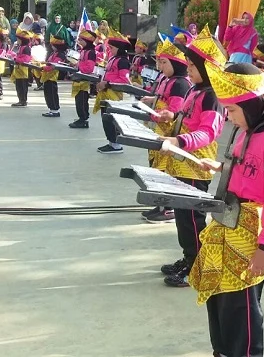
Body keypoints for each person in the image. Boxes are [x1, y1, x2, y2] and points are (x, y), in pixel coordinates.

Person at [190, 63, 264, 357]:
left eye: (232, 110)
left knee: (242, 307)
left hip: (249, 234)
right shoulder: (243, 131)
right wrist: (220, 166)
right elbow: (246, 169)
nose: (227, 116)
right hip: (225, 222)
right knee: (218, 296)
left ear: (253, 104)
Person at [155, 27, 225, 286]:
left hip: (196, 167)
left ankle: (199, 266)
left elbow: (207, 132)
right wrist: (171, 117)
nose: (189, 68)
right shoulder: (194, 90)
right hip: (180, 162)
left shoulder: (213, 97)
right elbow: (187, 119)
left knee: (193, 222)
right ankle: (189, 257)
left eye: (194, 65)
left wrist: (179, 140)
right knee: (182, 219)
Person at [138, 39, 193, 223]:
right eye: (159, 62)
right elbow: (162, 99)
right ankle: (161, 204)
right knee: (156, 169)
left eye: (164, 62)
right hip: (157, 131)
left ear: (177, 63)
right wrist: (152, 101)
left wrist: (165, 114)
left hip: (168, 136)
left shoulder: (180, 84)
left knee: (164, 172)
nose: (160, 66)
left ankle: (168, 208)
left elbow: (174, 111)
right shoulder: (168, 80)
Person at [95, 27, 133, 154]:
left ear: (119, 48)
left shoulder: (122, 61)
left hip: (114, 95)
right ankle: (111, 142)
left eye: (111, 48)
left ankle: (116, 144)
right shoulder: (113, 59)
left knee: (112, 119)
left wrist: (108, 84)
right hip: (106, 94)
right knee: (105, 118)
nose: (109, 50)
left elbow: (124, 80)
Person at [69, 30, 99, 128]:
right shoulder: (84, 51)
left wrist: (78, 65)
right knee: (78, 101)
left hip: (84, 81)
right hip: (79, 79)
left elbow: (89, 68)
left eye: (81, 40)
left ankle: (83, 119)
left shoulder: (90, 52)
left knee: (82, 101)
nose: (79, 41)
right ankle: (81, 118)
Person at [41, 34, 66, 117]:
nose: (51, 46)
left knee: (52, 93)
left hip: (52, 76)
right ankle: (51, 109)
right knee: (47, 93)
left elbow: (54, 65)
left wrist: (43, 67)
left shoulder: (60, 54)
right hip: (47, 76)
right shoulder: (54, 53)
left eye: (52, 45)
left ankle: (55, 109)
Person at [10, 29, 33, 107]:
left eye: (18, 39)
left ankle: (23, 101)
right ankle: (20, 100)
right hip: (18, 69)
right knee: (18, 86)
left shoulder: (26, 48)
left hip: (23, 70)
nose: (17, 40)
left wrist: (16, 59)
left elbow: (25, 59)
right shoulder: (21, 47)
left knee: (22, 86)